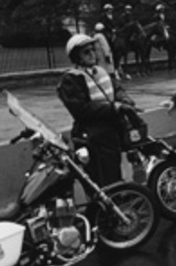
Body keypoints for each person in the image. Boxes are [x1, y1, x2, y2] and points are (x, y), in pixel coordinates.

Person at [57, 34, 136, 187]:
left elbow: (116, 89)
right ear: (76, 57)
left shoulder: (100, 71)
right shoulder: (71, 79)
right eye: (86, 52)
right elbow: (81, 109)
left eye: (93, 50)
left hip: (112, 130)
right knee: (102, 180)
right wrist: (113, 107)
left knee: (117, 174)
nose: (92, 54)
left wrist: (124, 99)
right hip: (92, 135)